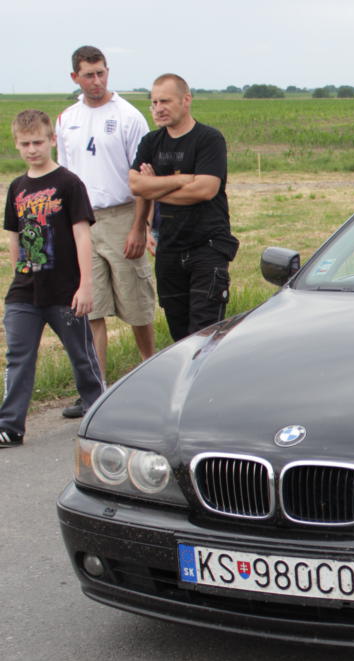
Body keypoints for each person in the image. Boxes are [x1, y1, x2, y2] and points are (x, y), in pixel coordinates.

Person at [56, 45, 155, 417]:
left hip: (122, 215)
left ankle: (151, 377)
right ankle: (94, 390)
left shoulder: (128, 117)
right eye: (88, 75)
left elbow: (144, 180)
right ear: (75, 77)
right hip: (83, 220)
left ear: (107, 71)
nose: (96, 81)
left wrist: (140, 227)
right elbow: (64, 177)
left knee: (136, 303)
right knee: (91, 308)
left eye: (101, 72)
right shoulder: (67, 119)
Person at [1, 110, 105, 447]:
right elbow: (14, 235)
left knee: (82, 357)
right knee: (18, 357)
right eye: (25, 144)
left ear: (52, 141)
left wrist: (85, 285)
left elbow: (82, 235)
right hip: (24, 292)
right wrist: (18, 271)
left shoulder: (68, 183)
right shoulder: (17, 187)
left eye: (38, 142)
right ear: (16, 145)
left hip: (65, 290)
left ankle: (98, 413)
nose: (32, 149)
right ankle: (10, 425)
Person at [128, 74, 238, 342]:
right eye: (154, 102)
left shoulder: (209, 139)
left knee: (205, 334)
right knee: (180, 338)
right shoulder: (151, 142)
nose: (158, 108)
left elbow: (205, 190)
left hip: (207, 247)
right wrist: (182, 180)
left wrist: (155, 186)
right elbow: (136, 185)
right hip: (168, 248)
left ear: (186, 100)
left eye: (165, 101)